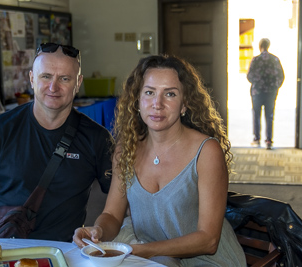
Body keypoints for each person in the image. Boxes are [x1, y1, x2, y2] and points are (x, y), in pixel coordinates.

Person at [73, 55, 246, 266]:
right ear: (137, 101)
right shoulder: (126, 149)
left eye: (170, 94)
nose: (157, 104)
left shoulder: (206, 151)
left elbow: (209, 240)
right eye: (149, 92)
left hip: (204, 260)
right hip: (148, 252)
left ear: (184, 104)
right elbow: (112, 214)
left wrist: (145, 251)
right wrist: (97, 231)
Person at [0, 43, 112, 242]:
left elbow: (122, 201)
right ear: (32, 79)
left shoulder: (96, 138)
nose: (54, 87)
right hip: (3, 251)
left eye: (64, 78)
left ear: (78, 83)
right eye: (46, 76)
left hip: (64, 254)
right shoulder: (1, 128)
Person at [247, 38, 284, 149]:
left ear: (260, 46)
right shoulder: (275, 59)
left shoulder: (256, 60)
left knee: (256, 115)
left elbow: (249, 75)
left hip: (257, 92)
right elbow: (281, 76)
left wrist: (256, 83)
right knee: (269, 116)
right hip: (270, 93)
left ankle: (257, 139)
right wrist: (275, 87)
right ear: (268, 46)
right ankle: (268, 140)